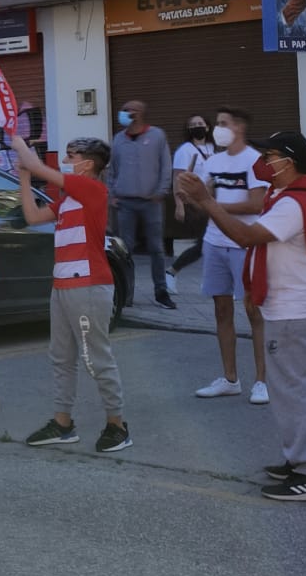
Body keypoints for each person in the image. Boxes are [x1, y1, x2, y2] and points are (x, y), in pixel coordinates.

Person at [178, 131, 306, 500]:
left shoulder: (292, 204)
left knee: (291, 392)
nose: (263, 162)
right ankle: (304, 457)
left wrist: (205, 200)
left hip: (293, 310)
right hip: (302, 303)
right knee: (294, 389)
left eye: (272, 155)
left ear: (290, 162)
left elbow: (247, 238)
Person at [11, 133, 132, 453]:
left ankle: (117, 425)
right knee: (61, 358)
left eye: (71, 156)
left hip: (89, 285)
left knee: (97, 358)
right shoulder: (68, 198)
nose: (66, 161)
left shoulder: (91, 188)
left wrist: (16, 139)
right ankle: (62, 423)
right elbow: (32, 217)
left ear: (88, 164)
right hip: (63, 285)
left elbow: (39, 166)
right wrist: (24, 177)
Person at [190, 107, 271, 404]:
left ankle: (262, 381)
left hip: (244, 243)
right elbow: (202, 198)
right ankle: (230, 379)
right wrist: (190, 194)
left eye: (223, 124)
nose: (217, 129)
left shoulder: (255, 160)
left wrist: (213, 205)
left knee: (254, 311)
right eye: (218, 124)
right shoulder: (214, 160)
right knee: (221, 311)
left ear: (238, 127)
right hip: (214, 242)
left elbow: (256, 204)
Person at [106, 98, 175, 309]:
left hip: (151, 202)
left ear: (139, 113)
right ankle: (127, 294)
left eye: (128, 110)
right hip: (125, 203)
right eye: (123, 110)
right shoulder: (118, 139)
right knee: (126, 250)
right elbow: (111, 169)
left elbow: (166, 165)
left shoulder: (156, 136)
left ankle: (161, 292)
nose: (124, 114)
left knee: (156, 248)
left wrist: (162, 191)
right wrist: (112, 195)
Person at [165, 114, 215, 278]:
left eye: (200, 123)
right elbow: (178, 178)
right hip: (195, 204)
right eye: (193, 124)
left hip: (215, 201)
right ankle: (172, 272)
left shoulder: (214, 148)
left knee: (209, 242)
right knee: (205, 242)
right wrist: (179, 205)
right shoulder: (185, 150)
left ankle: (172, 272)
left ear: (207, 127)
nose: (197, 127)